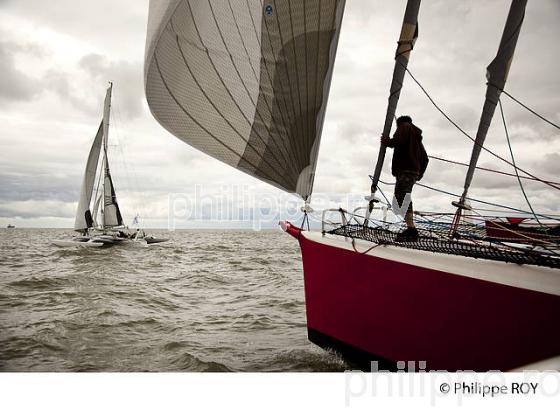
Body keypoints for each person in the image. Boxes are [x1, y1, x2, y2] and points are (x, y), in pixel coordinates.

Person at [381, 115, 429, 241]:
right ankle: (410, 228)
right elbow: (425, 159)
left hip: (405, 170)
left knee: (401, 197)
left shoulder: (404, 127)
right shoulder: (417, 139)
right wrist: (419, 174)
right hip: (412, 172)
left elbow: (398, 141)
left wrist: (387, 142)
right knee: (402, 197)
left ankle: (411, 230)